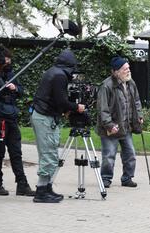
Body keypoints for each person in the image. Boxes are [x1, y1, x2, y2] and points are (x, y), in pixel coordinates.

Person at [31, 48, 85, 203]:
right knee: (48, 154)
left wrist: (63, 111)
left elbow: (55, 99)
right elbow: (61, 101)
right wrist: (76, 108)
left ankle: (47, 188)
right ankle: (41, 192)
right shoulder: (60, 76)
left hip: (45, 116)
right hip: (44, 118)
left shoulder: (53, 72)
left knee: (51, 153)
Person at [0, 45, 35, 196]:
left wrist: (15, 88)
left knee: (16, 152)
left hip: (11, 117)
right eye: (6, 59)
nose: (8, 62)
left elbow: (21, 91)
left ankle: (22, 184)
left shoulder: (11, 74)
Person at [96, 56, 144, 188]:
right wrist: (109, 125)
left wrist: (139, 115)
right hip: (111, 128)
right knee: (109, 155)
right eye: (125, 69)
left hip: (126, 127)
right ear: (116, 71)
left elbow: (137, 101)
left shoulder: (130, 83)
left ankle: (127, 178)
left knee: (130, 154)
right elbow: (102, 109)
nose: (128, 71)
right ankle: (106, 179)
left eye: (128, 68)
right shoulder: (106, 86)